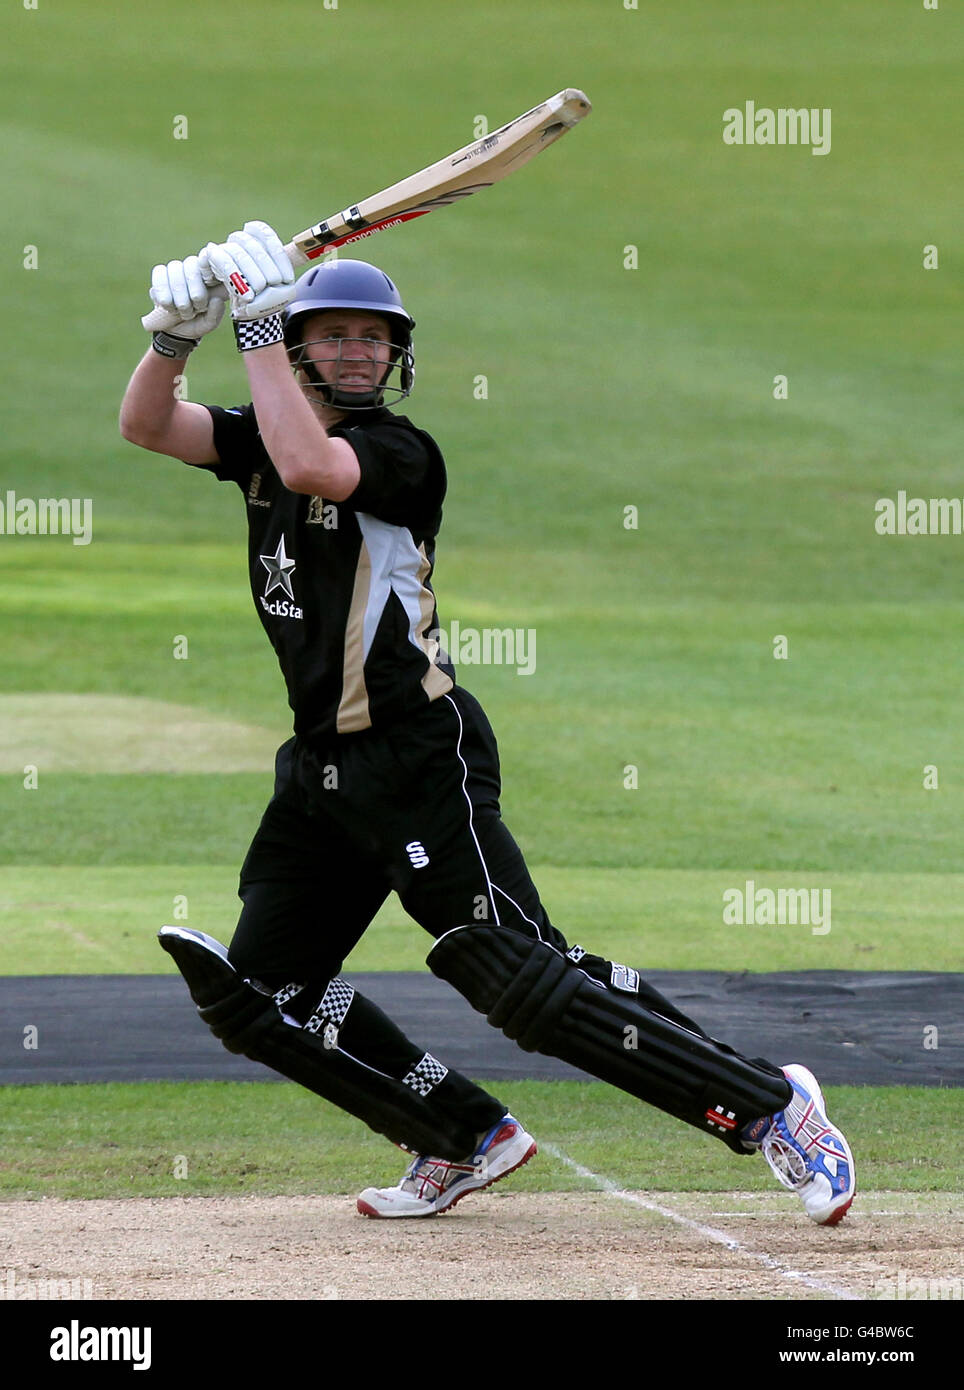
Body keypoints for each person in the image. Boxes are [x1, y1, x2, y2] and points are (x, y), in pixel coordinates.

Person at [119, 221, 856, 1224]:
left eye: (372, 338)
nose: (354, 350)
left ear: (397, 357)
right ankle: (459, 1134)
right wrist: (173, 334)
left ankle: (775, 1110)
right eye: (330, 333)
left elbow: (310, 468)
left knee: (515, 974)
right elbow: (147, 427)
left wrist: (254, 318)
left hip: (421, 753)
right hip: (323, 771)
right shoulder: (258, 432)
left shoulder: (396, 452)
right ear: (300, 347)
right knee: (263, 993)